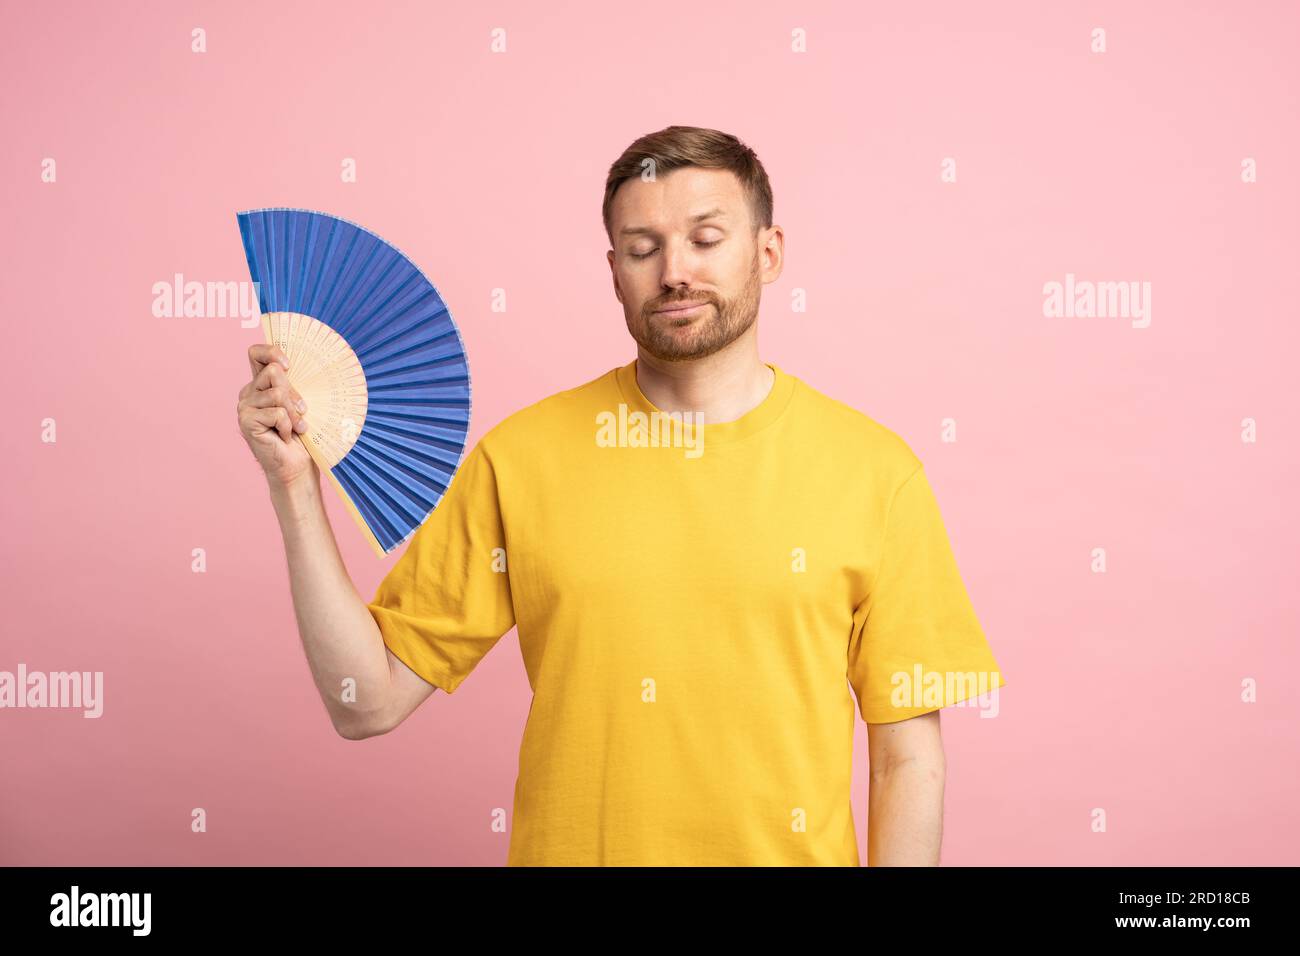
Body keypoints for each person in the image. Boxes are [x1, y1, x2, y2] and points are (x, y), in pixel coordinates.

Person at [235, 125, 1006, 866]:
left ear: (768, 253)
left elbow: (907, 760)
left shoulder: (877, 472)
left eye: (707, 240)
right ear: (614, 271)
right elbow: (364, 702)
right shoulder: (522, 458)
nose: (676, 271)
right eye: (644, 248)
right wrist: (294, 488)